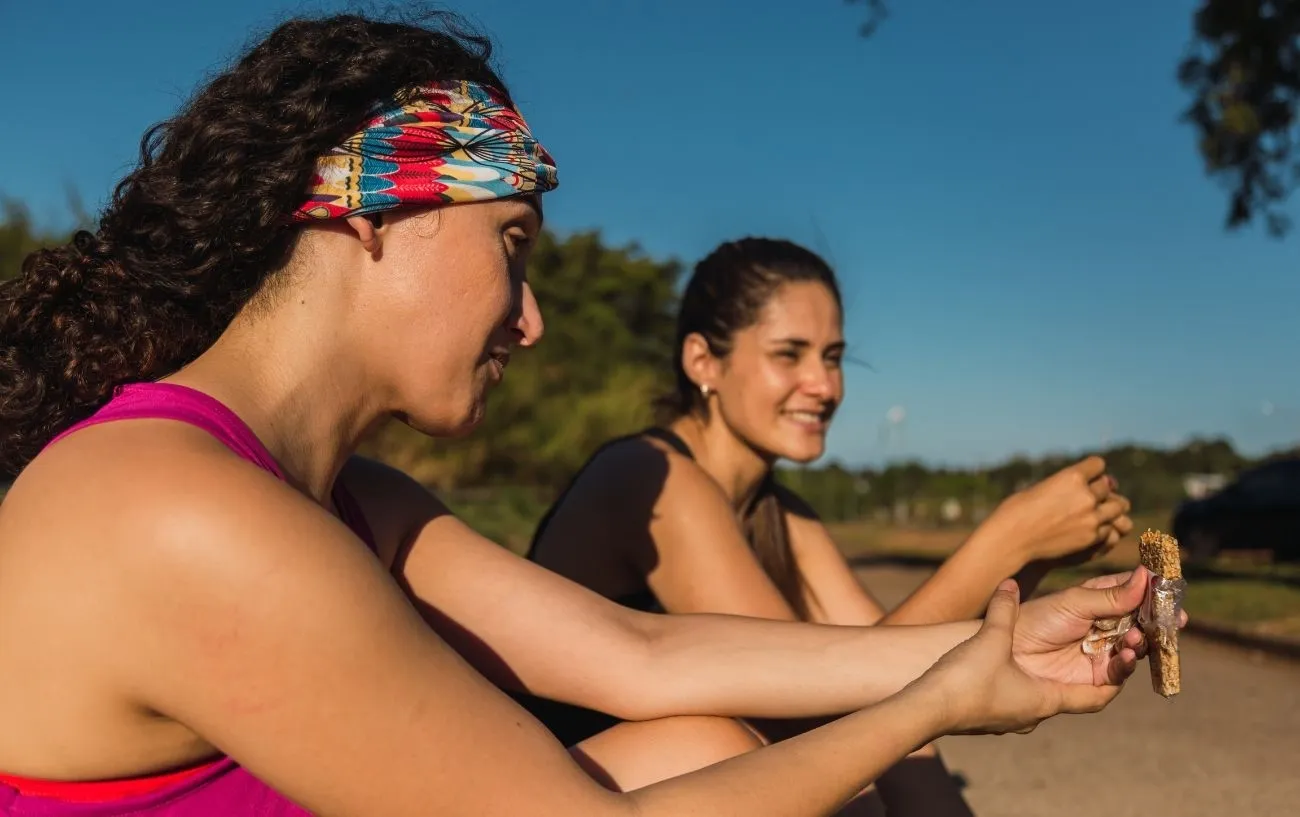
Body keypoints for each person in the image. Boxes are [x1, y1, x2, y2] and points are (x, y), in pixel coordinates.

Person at [0, 11, 1161, 817]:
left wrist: (1002, 642)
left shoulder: (341, 499)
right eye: (512, 246)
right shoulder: (183, 510)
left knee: (701, 743)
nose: (531, 317)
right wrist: (939, 702)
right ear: (368, 214)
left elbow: (640, 654)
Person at [518, 238, 1135, 812]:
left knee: (901, 748)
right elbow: (812, 706)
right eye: (790, 354)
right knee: (767, 746)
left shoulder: (780, 511)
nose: (824, 385)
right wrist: (1005, 539)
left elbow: (888, 663)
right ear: (704, 361)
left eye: (834, 358)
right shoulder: (650, 479)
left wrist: (1025, 563)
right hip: (571, 791)